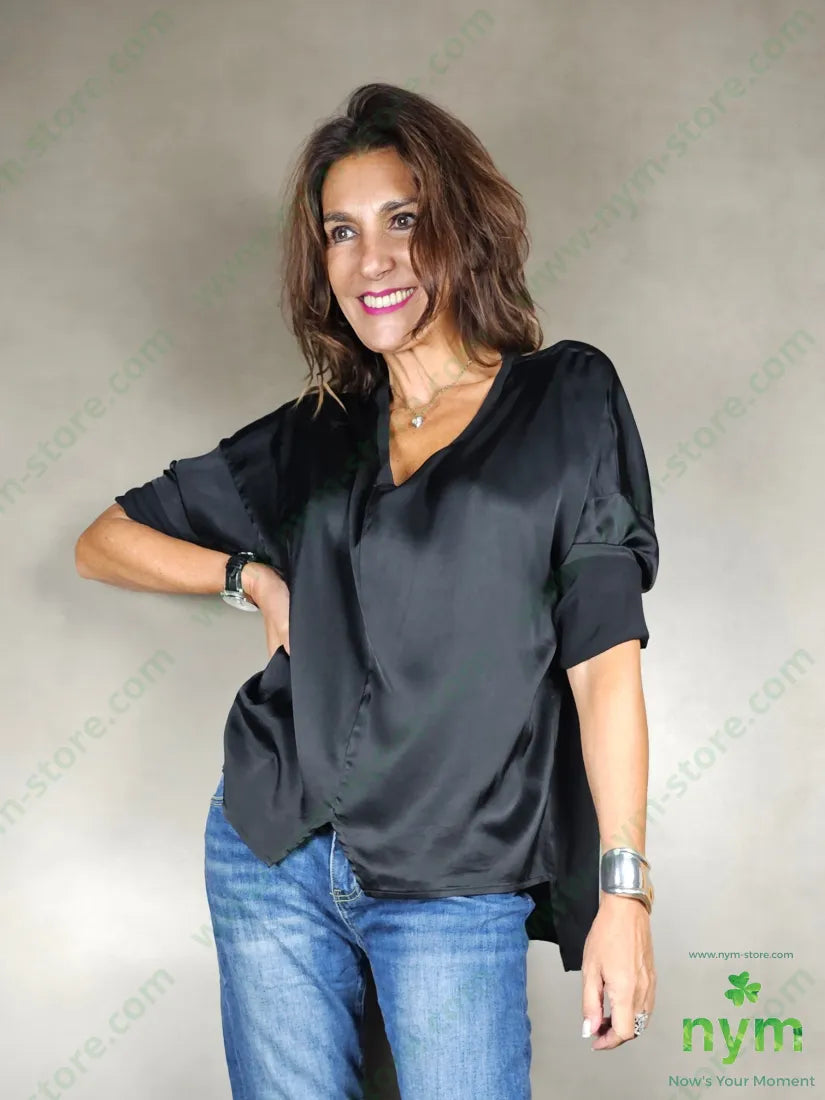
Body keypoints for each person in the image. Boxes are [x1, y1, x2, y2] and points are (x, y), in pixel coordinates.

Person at [75, 82, 659, 1099]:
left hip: (452, 875)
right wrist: (249, 578)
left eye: (403, 220)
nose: (371, 259)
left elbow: (603, 663)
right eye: (341, 232)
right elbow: (103, 540)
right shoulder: (316, 434)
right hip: (275, 851)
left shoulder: (565, 399)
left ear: (460, 230)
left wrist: (624, 892)